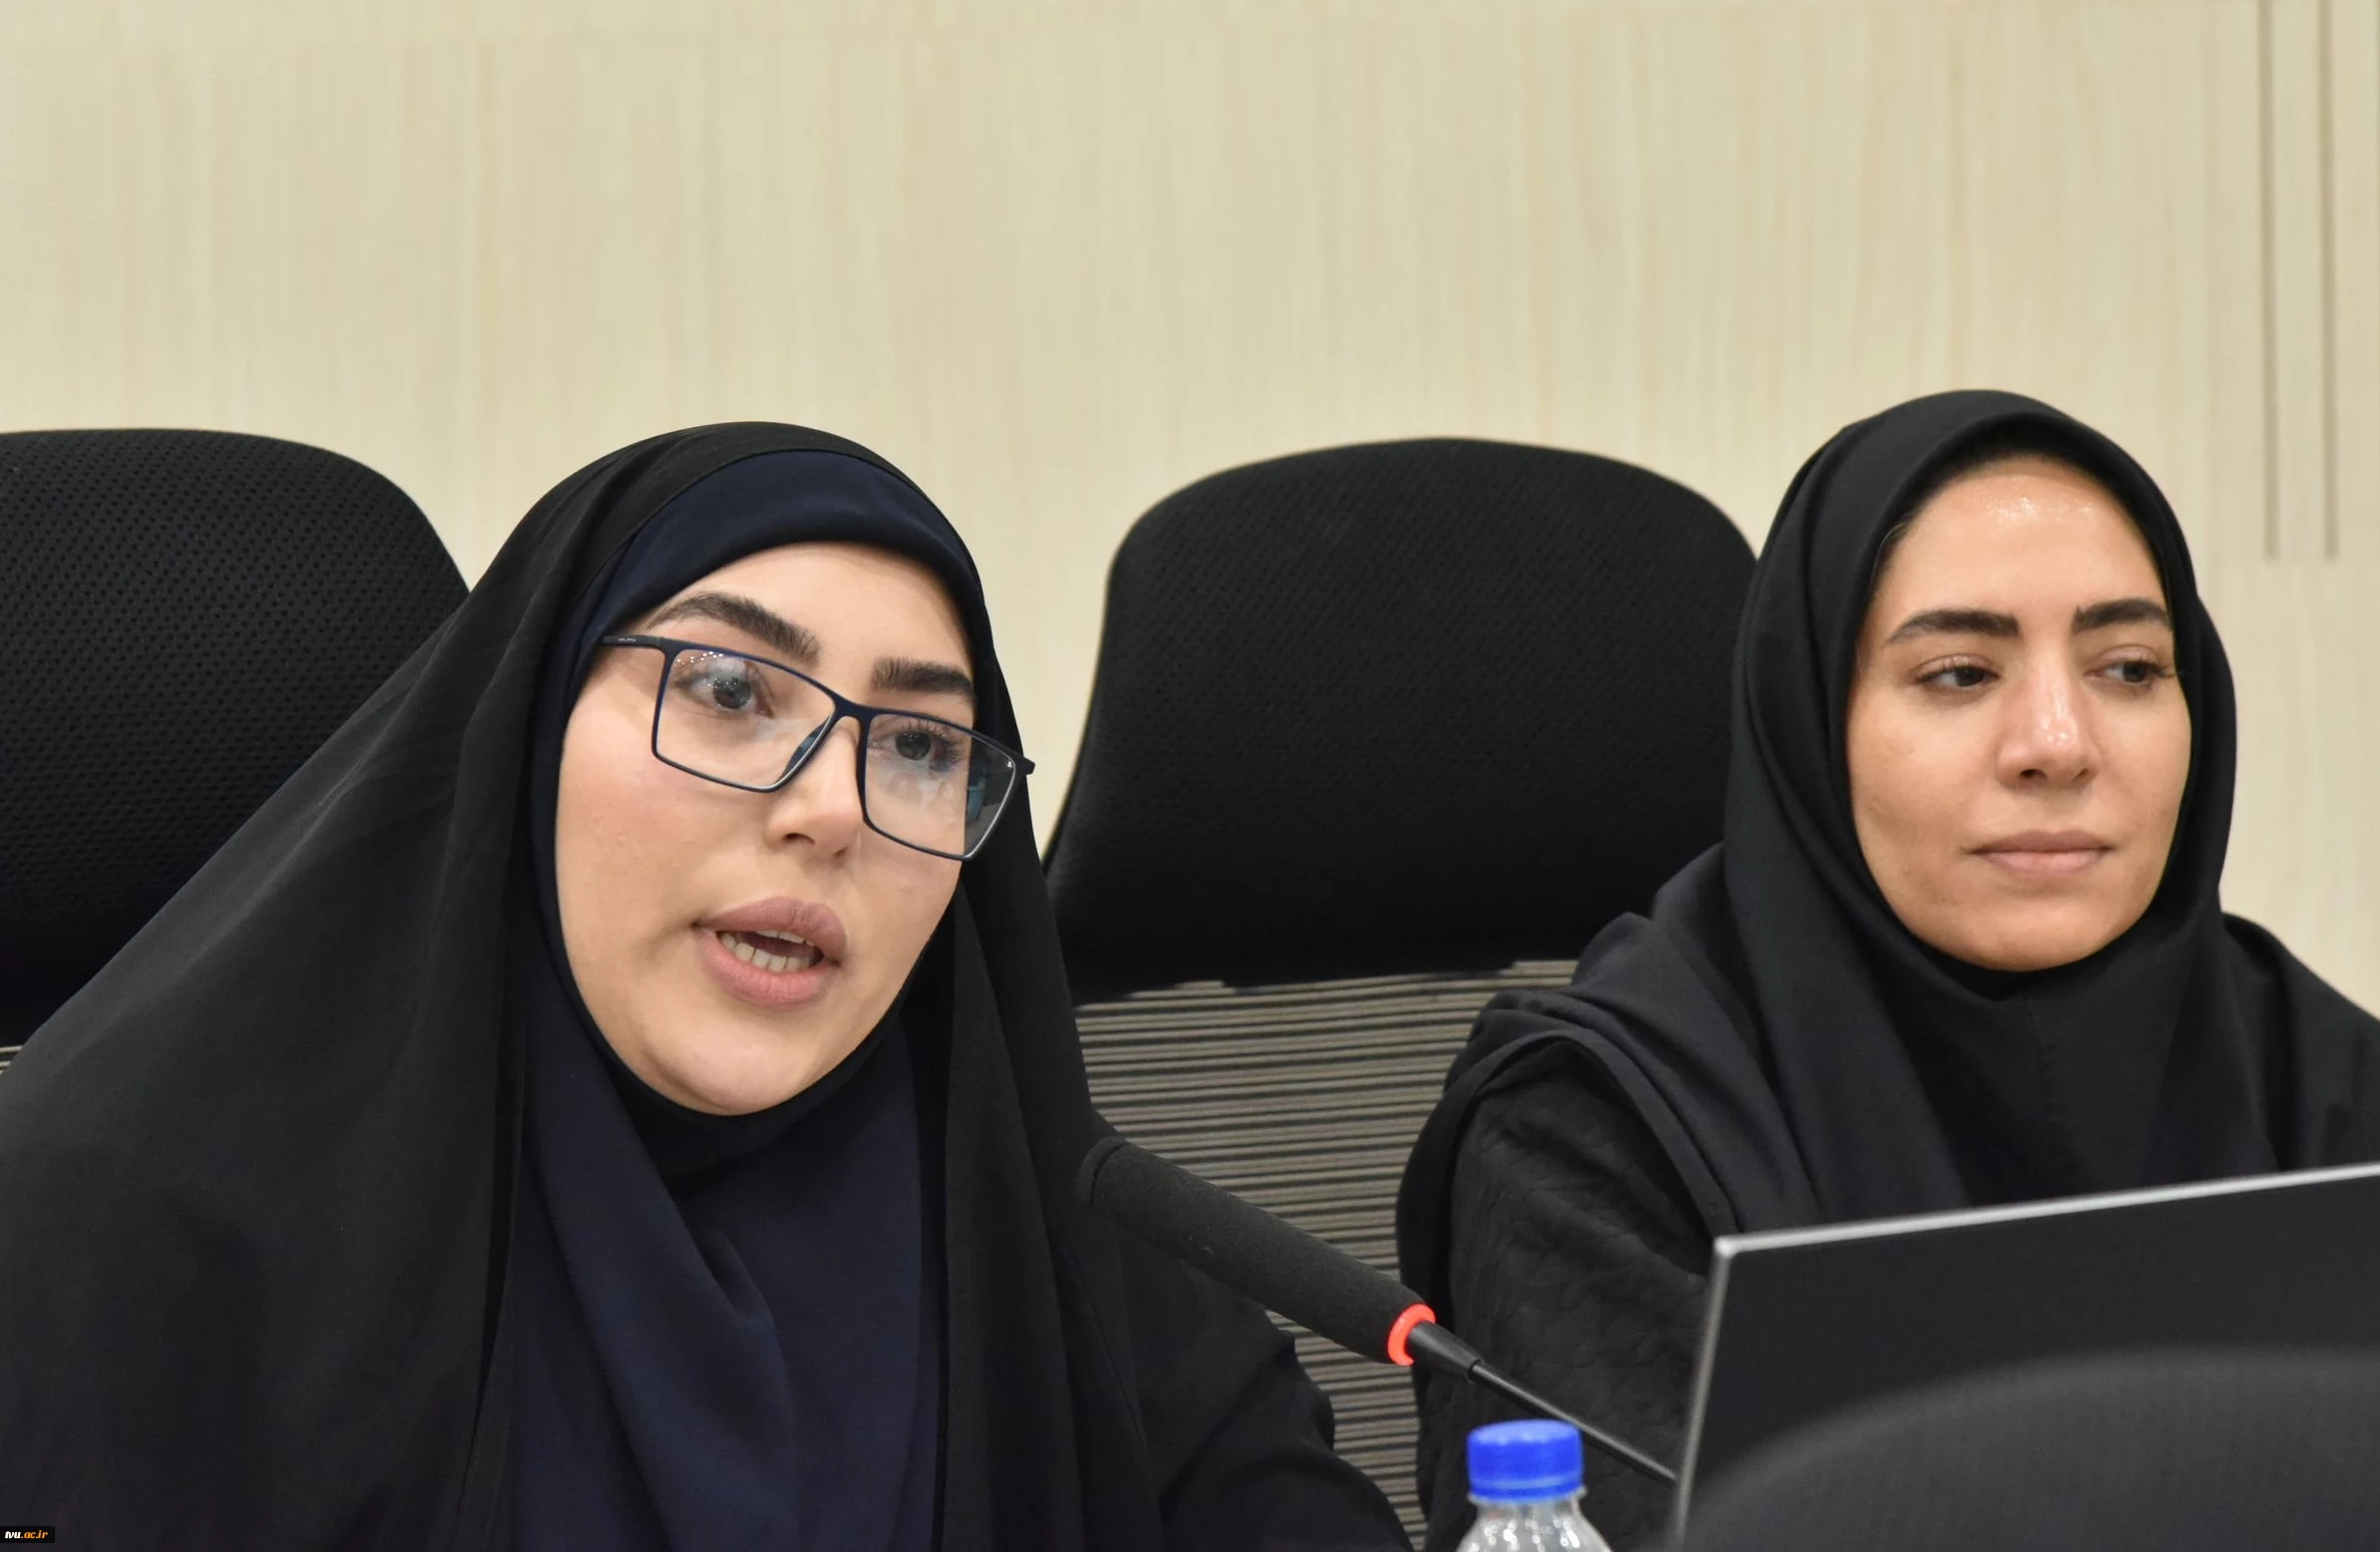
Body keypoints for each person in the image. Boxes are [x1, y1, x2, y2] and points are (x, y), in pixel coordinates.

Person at [0, 425, 1410, 1552]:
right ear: (528, 732)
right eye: (731, 691)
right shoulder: (131, 1243)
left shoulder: (1073, 1252)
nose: (834, 810)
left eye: (921, 747)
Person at [1395, 389, 2380, 1552]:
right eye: (1957, 673)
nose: (2056, 743)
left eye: (2126, 667)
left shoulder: (2317, 1077)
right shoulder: (1599, 1126)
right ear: (1813, 718)